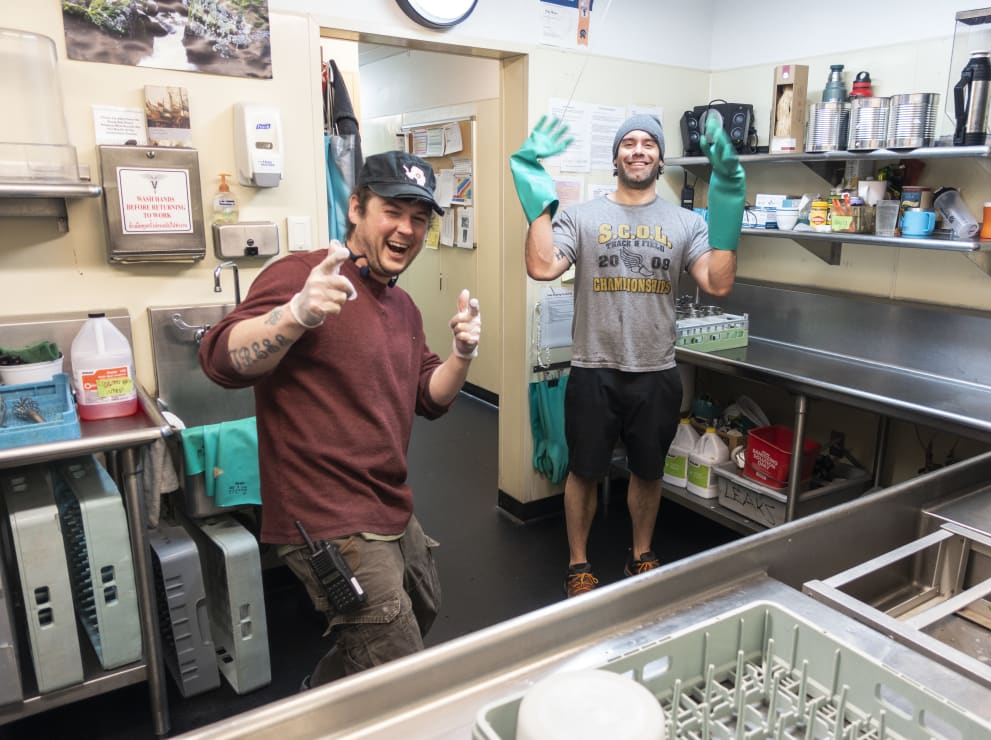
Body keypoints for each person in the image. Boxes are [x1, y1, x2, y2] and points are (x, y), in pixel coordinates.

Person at [198, 150, 481, 686]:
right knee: (397, 663)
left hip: (389, 501)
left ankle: (319, 698)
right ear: (356, 207)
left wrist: (462, 357)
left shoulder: (403, 309)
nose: (407, 229)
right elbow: (218, 358)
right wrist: (295, 315)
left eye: (419, 218)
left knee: (420, 609)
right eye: (392, 211)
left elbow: (430, 397)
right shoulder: (303, 276)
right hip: (326, 514)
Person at [510, 112, 746, 597]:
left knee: (648, 470)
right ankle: (579, 562)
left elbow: (718, 282)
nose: (638, 150)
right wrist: (535, 189)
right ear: (616, 155)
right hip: (593, 369)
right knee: (584, 471)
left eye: (648, 144)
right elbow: (540, 266)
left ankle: (641, 551)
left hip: (656, 371)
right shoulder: (582, 216)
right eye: (629, 143)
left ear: (660, 158)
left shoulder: (686, 222)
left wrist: (727, 197)